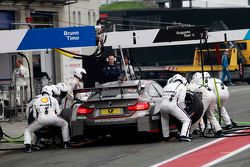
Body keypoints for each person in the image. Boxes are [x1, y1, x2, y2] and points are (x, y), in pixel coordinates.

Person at [24, 86, 70, 153]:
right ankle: (66, 143)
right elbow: (58, 112)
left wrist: (39, 121)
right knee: (65, 124)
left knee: (27, 130)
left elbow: (34, 115)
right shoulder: (54, 99)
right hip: (53, 119)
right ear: (50, 92)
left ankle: (28, 148)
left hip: (41, 120)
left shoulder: (36, 100)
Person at [189, 72, 223, 137]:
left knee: (198, 115)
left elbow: (187, 92)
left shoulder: (192, 84)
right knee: (210, 115)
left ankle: (189, 132)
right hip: (212, 95)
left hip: (206, 97)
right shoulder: (202, 83)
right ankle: (219, 130)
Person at [160, 74, 191, 142]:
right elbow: (181, 101)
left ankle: (165, 137)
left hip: (162, 105)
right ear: (182, 80)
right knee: (187, 120)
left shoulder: (166, 86)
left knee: (164, 120)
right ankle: (183, 135)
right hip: (173, 105)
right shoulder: (182, 86)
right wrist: (184, 109)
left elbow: (162, 97)